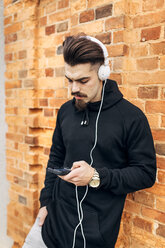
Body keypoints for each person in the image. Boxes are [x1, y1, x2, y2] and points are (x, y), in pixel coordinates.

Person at [23, 35, 156, 248]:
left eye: (83, 81)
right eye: (70, 80)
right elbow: (55, 157)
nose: (74, 88)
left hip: (93, 237)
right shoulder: (66, 111)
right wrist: (45, 203)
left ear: (103, 73)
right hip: (49, 227)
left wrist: (95, 176)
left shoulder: (131, 117)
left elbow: (146, 174)